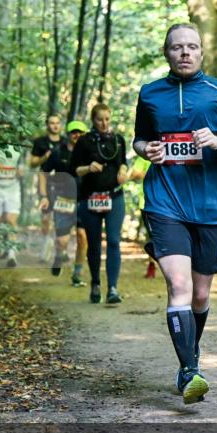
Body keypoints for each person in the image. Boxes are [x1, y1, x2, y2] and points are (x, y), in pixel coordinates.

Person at [132, 23, 217, 405]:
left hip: (210, 205)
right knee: (179, 285)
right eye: (177, 47)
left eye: (192, 47)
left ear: (201, 52)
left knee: (200, 294)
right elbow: (139, 138)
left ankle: (191, 354)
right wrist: (146, 149)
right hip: (164, 201)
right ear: (166, 53)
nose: (185, 53)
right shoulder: (150, 93)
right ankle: (188, 372)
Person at [71, 104, 128, 304]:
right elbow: (74, 170)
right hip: (90, 198)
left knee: (113, 240)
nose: (104, 123)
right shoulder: (84, 141)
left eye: (107, 119)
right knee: (94, 243)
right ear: (93, 120)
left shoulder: (118, 140)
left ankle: (112, 288)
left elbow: (123, 163)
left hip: (114, 196)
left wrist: (123, 171)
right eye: (99, 120)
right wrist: (88, 168)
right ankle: (95, 283)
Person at [38, 120, 89, 285]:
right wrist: (44, 196)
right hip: (63, 200)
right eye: (74, 132)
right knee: (62, 241)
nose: (77, 135)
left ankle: (77, 274)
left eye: (80, 132)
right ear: (68, 134)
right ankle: (59, 256)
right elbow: (43, 173)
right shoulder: (58, 152)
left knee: (82, 236)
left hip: (84, 201)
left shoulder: (90, 153)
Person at [30, 114, 64, 261]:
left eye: (57, 123)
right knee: (45, 217)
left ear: (60, 125)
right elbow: (32, 163)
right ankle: (45, 246)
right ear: (47, 125)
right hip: (45, 182)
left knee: (62, 217)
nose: (55, 126)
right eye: (52, 123)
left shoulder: (66, 142)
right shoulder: (40, 142)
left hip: (63, 184)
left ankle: (60, 248)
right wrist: (45, 157)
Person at [0, 145, 26, 268]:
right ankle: (4, 241)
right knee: (0, 220)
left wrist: (20, 172)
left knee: (11, 220)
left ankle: (11, 255)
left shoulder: (18, 149)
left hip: (13, 187)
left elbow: (24, 169)